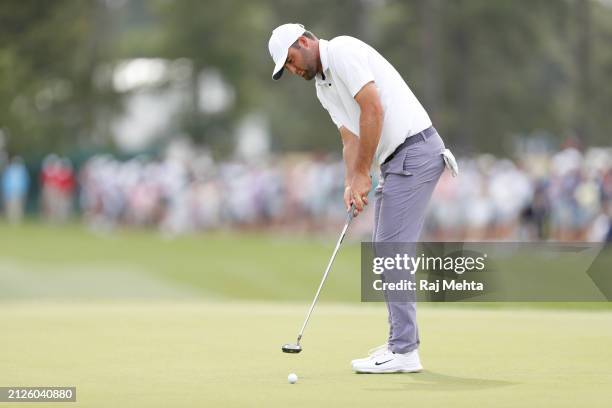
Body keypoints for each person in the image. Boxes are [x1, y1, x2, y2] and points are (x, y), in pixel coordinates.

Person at [269, 23, 457, 373]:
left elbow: (373, 110)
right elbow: (349, 137)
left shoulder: (342, 51)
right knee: (385, 248)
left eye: (291, 59)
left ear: (305, 42)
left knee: (389, 249)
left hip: (414, 150)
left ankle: (404, 350)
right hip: (396, 160)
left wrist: (362, 173)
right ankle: (400, 343)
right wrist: (350, 182)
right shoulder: (323, 88)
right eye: (287, 68)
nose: (293, 69)